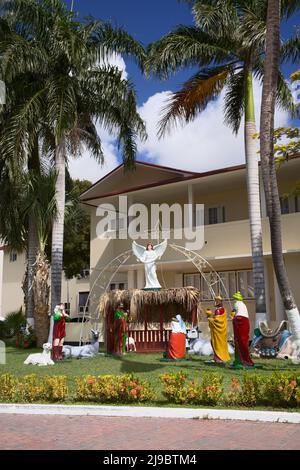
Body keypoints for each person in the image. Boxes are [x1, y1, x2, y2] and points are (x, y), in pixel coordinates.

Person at [231, 291, 254, 368]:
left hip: (241, 325)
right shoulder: (242, 305)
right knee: (241, 342)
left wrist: (234, 319)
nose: (233, 301)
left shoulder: (237, 304)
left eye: (234, 299)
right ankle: (240, 359)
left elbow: (238, 318)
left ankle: (244, 360)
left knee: (241, 342)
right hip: (244, 324)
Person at [206, 295, 230, 364]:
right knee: (219, 344)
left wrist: (209, 318)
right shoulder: (224, 309)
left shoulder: (218, 310)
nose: (215, 302)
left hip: (218, 332)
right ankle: (218, 357)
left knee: (215, 344)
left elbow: (217, 321)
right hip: (223, 331)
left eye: (216, 301)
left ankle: (218, 358)